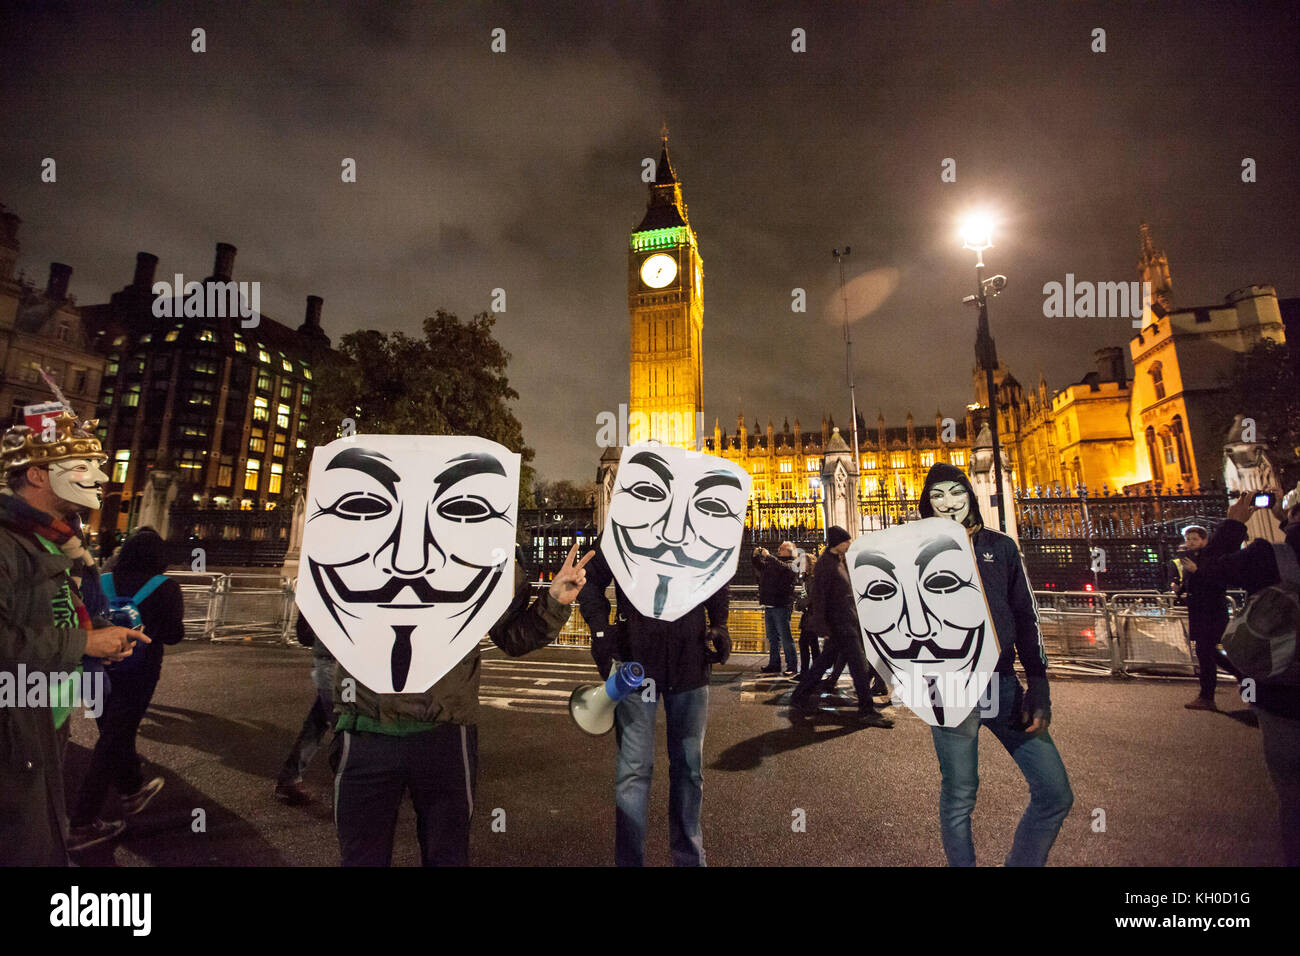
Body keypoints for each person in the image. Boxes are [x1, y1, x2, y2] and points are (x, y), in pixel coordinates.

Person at [331, 542, 588, 866]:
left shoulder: (485, 542)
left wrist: (553, 602)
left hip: (442, 729)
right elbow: (311, 630)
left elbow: (510, 636)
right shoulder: (361, 532)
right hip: (368, 725)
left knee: (446, 856)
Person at [0, 411, 148, 864]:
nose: (102, 477)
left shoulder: (50, 539)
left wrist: (101, 634)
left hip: (39, 725)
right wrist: (82, 645)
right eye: (84, 466)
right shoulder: (6, 543)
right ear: (37, 473)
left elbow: (45, 618)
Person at [918, 463, 1072, 866]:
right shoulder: (914, 553)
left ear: (970, 494)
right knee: (959, 796)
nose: (948, 503)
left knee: (1055, 792)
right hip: (949, 687)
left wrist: (1038, 682)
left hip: (1001, 685)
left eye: (956, 492)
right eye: (937, 495)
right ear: (926, 503)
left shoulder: (1000, 547)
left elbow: (1026, 616)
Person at [579, 539, 731, 867]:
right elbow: (588, 576)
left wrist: (720, 623)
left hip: (686, 661)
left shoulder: (695, 521)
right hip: (638, 664)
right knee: (641, 770)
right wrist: (602, 632)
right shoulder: (627, 521)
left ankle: (688, 859)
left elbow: (718, 574)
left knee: (684, 769)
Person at [1184, 489, 1300, 866]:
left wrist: (1235, 522)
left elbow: (1210, 571)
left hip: (1288, 699)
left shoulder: (1274, 557)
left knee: (1293, 798)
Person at [67, 527, 183, 850]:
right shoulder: (166, 587)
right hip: (139, 674)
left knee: (113, 733)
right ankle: (81, 823)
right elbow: (174, 634)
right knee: (111, 741)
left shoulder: (101, 580)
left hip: (96, 669)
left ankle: (132, 788)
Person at [788, 526, 894, 727]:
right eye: (847, 540)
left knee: (823, 663)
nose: (850, 543)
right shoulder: (826, 565)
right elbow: (819, 597)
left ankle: (799, 695)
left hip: (846, 622)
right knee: (859, 666)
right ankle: (866, 710)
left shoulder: (839, 562)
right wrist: (822, 626)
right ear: (838, 543)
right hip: (840, 624)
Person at [1175, 523, 1242, 710]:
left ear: (1205, 540)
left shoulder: (1211, 558)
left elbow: (1218, 580)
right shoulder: (1191, 558)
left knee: (1206, 652)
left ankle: (1208, 696)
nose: (1190, 542)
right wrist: (1179, 590)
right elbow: (1191, 583)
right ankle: (1241, 675)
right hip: (1198, 612)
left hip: (1211, 612)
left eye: (1195, 539)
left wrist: (1197, 571)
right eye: (1188, 539)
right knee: (1208, 652)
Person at [275, 612, 337, 805]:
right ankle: (356, 789)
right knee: (346, 728)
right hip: (336, 662)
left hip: (337, 661)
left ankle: (289, 778)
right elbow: (305, 634)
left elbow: (304, 635)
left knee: (319, 721)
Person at [754, 541, 798, 676]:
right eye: (779, 548)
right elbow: (760, 567)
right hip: (770, 604)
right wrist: (755, 556)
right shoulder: (774, 563)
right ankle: (774, 664)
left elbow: (784, 568)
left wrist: (768, 556)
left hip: (781, 605)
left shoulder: (792, 564)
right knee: (772, 637)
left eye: (782, 549)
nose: (779, 550)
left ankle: (792, 665)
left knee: (785, 637)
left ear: (790, 552)